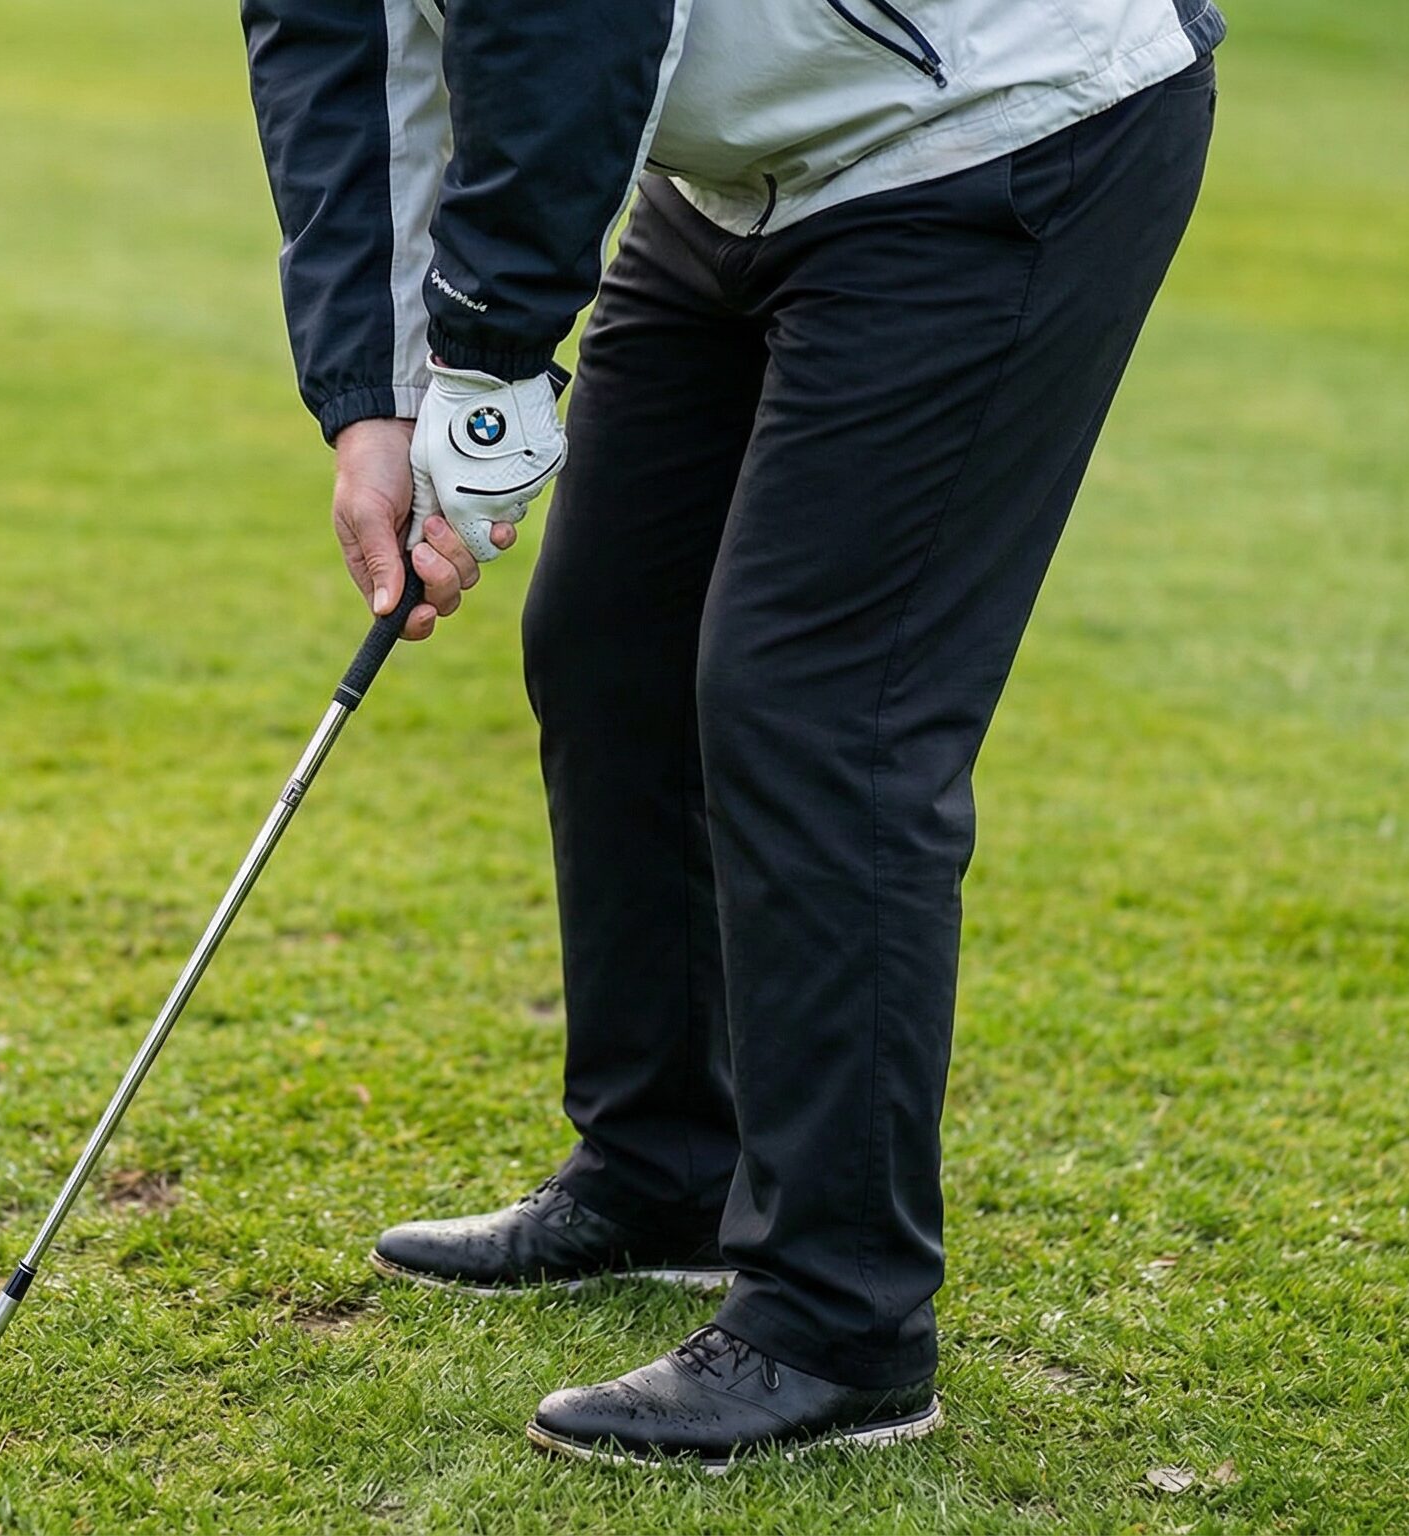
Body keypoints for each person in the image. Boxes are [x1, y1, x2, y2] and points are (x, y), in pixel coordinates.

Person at [241, 0, 1221, 1469]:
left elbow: (566, 23)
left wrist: (493, 358)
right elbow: (338, 53)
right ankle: (666, 1169)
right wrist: (371, 407)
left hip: (999, 126)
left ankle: (841, 1321)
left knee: (818, 709)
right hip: (731, 178)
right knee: (609, 646)